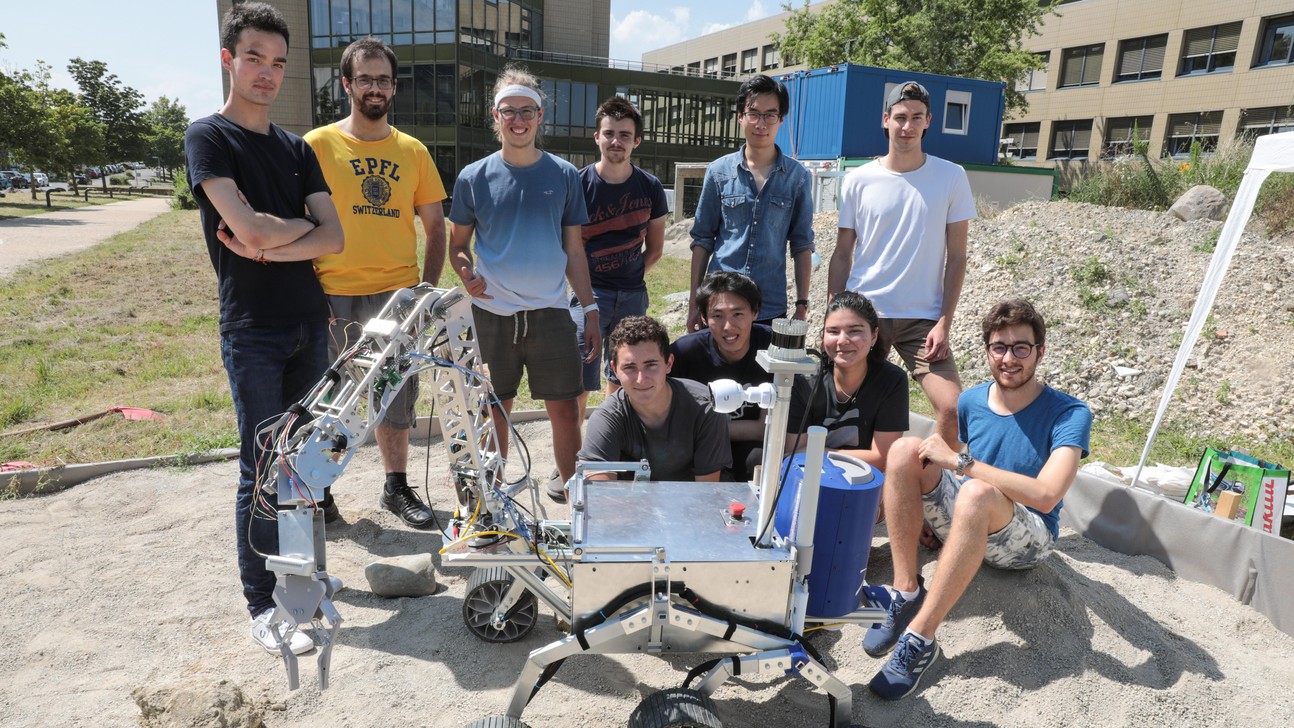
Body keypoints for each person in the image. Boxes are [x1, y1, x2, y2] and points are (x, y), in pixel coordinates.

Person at [185, 1, 344, 656]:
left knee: (304, 466)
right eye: (254, 58)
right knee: (261, 466)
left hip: (309, 320)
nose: (267, 73)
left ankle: (303, 583)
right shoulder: (208, 138)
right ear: (229, 59)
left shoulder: (298, 149)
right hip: (252, 328)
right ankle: (265, 605)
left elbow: (333, 238)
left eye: (278, 62)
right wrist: (285, 233)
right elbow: (243, 229)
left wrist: (272, 241)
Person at [863, 299, 1091, 700]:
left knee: (978, 490)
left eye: (1021, 347)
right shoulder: (971, 401)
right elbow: (942, 469)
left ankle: (921, 638)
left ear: (1041, 350)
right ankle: (905, 590)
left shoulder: (1069, 413)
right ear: (986, 350)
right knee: (903, 452)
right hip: (974, 512)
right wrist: (933, 518)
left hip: (1027, 540)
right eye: (999, 347)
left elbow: (1046, 495)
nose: (1009, 358)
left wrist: (963, 464)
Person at [305, 37, 447, 530]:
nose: (374, 88)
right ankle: (320, 492)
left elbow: (434, 228)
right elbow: (298, 221)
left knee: (395, 396)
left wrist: (425, 294)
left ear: (394, 87)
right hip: (334, 292)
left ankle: (396, 487)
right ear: (346, 84)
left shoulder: (413, 152)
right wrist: (310, 292)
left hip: (396, 297)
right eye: (364, 79)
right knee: (332, 398)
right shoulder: (316, 145)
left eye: (383, 79)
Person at [448, 66, 598, 505]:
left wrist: (588, 310)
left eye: (526, 111)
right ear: (495, 117)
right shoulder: (473, 177)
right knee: (494, 412)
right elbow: (459, 245)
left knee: (566, 411)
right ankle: (488, 505)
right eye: (509, 111)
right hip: (492, 314)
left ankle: (577, 508)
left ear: (540, 115)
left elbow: (574, 252)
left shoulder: (565, 175)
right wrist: (466, 273)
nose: (518, 119)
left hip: (551, 312)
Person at [827, 80, 976, 451]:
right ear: (885, 120)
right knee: (846, 407)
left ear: (929, 122)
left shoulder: (951, 176)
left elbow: (957, 256)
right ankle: (856, 490)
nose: (907, 126)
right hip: (865, 314)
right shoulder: (859, 179)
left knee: (954, 411)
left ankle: (926, 487)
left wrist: (945, 322)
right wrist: (833, 315)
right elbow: (843, 252)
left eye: (916, 118)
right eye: (900, 118)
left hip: (922, 321)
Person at [688, 74, 814, 331]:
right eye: (753, 113)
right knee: (717, 372)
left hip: (769, 306)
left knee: (762, 372)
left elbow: (802, 244)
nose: (761, 123)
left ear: (781, 119)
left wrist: (802, 304)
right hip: (719, 301)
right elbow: (702, 240)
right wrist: (693, 304)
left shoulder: (797, 177)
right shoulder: (718, 172)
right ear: (740, 116)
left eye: (770, 115)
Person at [571, 95, 669, 418]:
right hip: (587, 295)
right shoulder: (578, 185)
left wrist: (630, 276)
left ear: (636, 141)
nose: (616, 141)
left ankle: (613, 452)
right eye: (609, 133)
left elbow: (654, 249)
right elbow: (567, 248)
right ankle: (574, 459)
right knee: (578, 384)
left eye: (625, 135)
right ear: (596, 136)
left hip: (631, 295)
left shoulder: (651, 187)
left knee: (624, 377)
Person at [579, 316, 731, 482]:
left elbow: (706, 491)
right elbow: (599, 494)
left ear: (669, 363)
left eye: (650, 365)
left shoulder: (705, 407)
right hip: (629, 504)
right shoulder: (606, 419)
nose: (641, 379)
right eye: (629, 367)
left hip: (690, 503)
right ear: (614, 370)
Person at [785, 291, 909, 472]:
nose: (842, 340)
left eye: (855, 331)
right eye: (833, 331)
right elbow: (794, 453)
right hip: (812, 475)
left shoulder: (891, 381)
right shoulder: (805, 381)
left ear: (874, 335)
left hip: (866, 481)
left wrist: (823, 452)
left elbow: (883, 458)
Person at [669, 271, 773, 481]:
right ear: (704, 318)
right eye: (717, 316)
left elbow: (766, 429)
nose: (728, 326)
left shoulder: (773, 346)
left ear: (755, 312)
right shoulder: (683, 353)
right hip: (695, 446)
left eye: (738, 314)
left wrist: (703, 429)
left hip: (748, 447)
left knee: (761, 461)